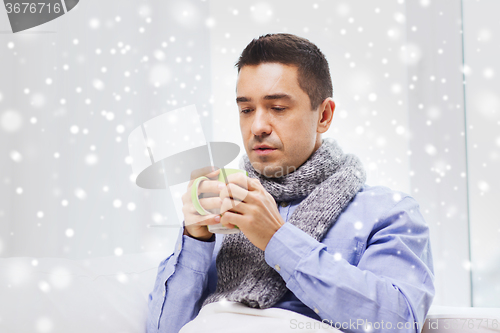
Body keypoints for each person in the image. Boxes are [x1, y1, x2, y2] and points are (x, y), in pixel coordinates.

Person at [146, 33, 434, 333]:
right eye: (246, 110)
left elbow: (397, 323)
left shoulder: (387, 212)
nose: (257, 126)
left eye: (278, 108)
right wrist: (195, 239)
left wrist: (277, 239)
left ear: (323, 115)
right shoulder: (219, 210)